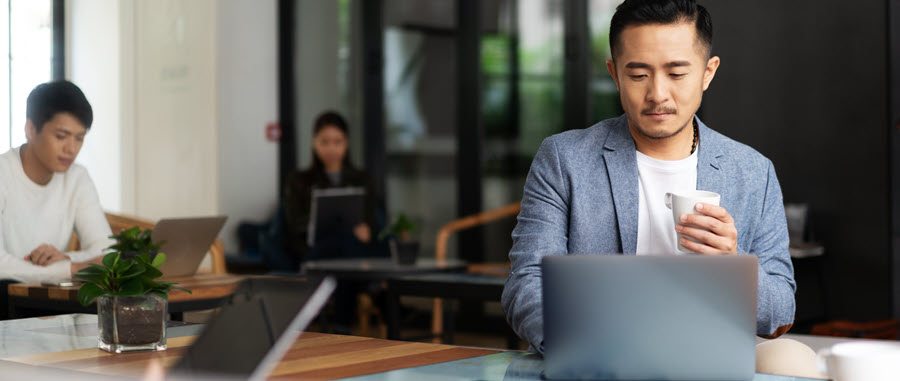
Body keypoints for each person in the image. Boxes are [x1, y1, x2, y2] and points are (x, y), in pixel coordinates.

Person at [501, 0, 796, 355]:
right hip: (595, 360)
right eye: (638, 75)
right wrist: (586, 348)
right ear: (614, 74)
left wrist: (733, 266)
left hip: (706, 362)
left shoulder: (752, 171)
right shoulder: (565, 159)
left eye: (676, 74)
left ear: (708, 72)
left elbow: (781, 309)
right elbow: (527, 285)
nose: (658, 94)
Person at [0, 81, 112, 285]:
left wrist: (66, 259)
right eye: (61, 136)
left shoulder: (77, 177)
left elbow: (106, 252)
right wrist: (71, 269)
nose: (71, 148)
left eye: (79, 138)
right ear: (31, 129)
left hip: (48, 298)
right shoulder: (3, 173)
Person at [283, 111, 381, 334]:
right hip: (313, 253)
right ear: (314, 143)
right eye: (324, 142)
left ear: (346, 143)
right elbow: (293, 227)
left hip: (348, 252)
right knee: (343, 241)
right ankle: (369, 287)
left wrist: (367, 230)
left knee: (344, 253)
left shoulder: (362, 179)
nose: (331, 149)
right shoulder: (299, 181)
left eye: (337, 142)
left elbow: (373, 223)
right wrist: (319, 221)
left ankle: (341, 327)